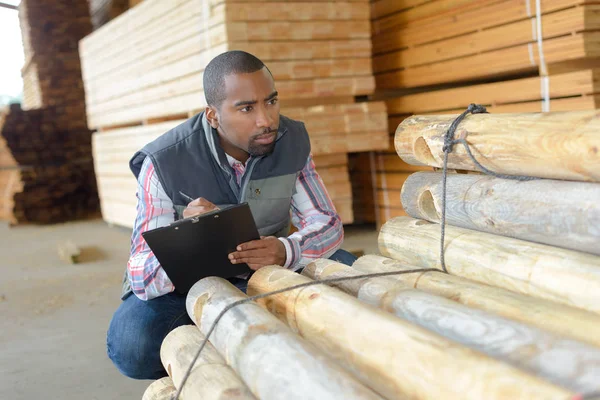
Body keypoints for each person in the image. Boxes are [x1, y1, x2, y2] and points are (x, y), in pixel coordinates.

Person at [106, 50, 358, 380]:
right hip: (191, 286)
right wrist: (187, 237)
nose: (266, 120)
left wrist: (286, 249)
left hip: (271, 266)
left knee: (355, 282)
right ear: (213, 116)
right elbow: (140, 273)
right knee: (133, 345)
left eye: (271, 101)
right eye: (246, 108)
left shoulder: (290, 140)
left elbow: (326, 223)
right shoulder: (163, 161)